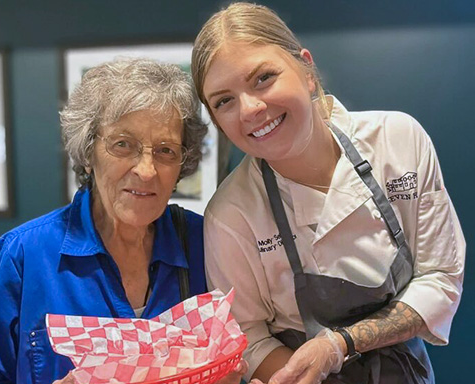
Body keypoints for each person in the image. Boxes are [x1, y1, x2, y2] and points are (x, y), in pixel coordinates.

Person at [191, 3, 465, 384]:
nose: (250, 109)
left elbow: (441, 276)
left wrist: (339, 345)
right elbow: (247, 334)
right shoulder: (231, 213)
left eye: (263, 78)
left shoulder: (398, 140)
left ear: (306, 71)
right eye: (224, 101)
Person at [0, 59, 247, 384]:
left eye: (165, 150)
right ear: (88, 153)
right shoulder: (25, 254)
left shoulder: (203, 241)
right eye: (123, 145)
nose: (146, 170)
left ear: (183, 163)